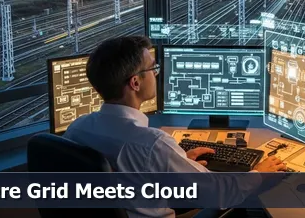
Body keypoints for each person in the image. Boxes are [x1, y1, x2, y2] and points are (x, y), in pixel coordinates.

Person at [64, 36, 286, 218]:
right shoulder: (152, 144)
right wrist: (260, 173)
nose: (156, 73)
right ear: (135, 83)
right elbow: (220, 194)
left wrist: (176, 162)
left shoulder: (76, 129)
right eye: (153, 68)